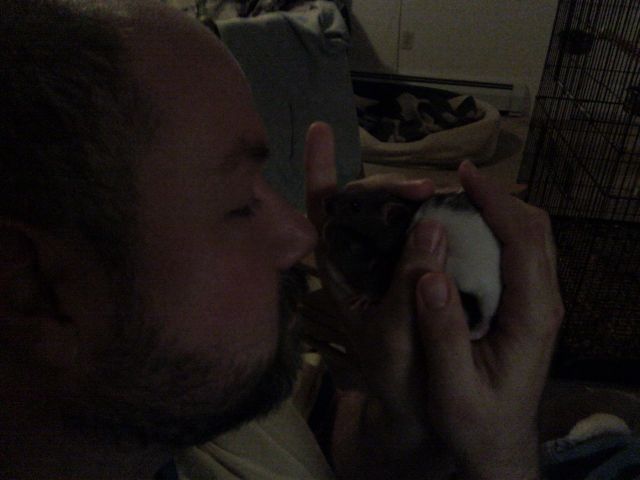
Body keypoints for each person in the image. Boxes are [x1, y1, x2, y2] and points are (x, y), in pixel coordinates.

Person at [0, 1, 564, 478]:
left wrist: (404, 407)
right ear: (24, 280)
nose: (302, 234)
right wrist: (501, 457)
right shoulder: (191, 377)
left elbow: (340, 459)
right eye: (240, 204)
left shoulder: (174, 398)